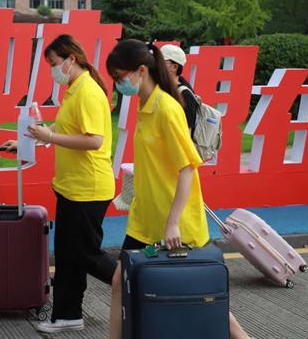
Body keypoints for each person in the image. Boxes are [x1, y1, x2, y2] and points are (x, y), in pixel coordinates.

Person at [105, 39, 250, 339]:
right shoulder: (145, 104)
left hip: (176, 226)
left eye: (120, 77)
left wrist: (172, 223)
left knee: (201, 294)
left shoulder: (167, 109)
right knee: (120, 282)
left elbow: (187, 168)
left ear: (141, 71)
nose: (118, 84)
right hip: (146, 221)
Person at [3, 34, 117, 334]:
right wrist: (28, 141)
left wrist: (50, 137)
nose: (53, 70)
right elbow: (64, 128)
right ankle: (68, 314)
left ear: (71, 59)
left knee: (86, 254)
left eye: (54, 63)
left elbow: (94, 140)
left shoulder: (88, 92)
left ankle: (137, 286)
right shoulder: (74, 89)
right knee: (68, 255)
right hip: (71, 186)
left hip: (88, 188)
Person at [161, 44, 198, 133]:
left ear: (174, 67)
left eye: (161, 62)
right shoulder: (162, 88)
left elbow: (186, 133)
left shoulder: (185, 95)